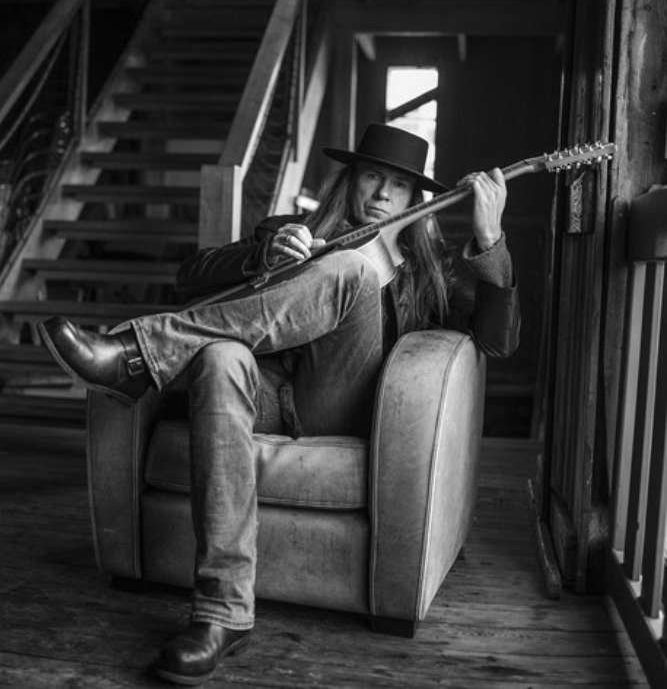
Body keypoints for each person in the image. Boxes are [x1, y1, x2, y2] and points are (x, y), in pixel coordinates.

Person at [37, 122, 521, 685]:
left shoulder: (428, 272)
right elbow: (188, 276)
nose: (383, 194)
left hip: (337, 405)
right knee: (221, 359)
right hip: (263, 394)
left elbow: (498, 341)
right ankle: (222, 613)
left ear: (415, 198)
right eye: (371, 176)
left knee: (351, 269)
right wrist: (261, 256)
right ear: (350, 180)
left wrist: (490, 238)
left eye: (399, 185)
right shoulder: (296, 231)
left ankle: (138, 353)